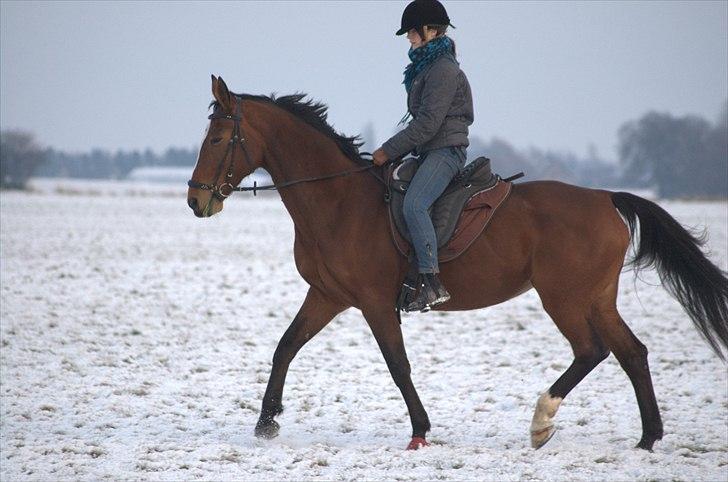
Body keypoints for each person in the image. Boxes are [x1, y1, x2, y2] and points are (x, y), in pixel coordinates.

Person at [372, 0, 474, 312]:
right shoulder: (427, 68)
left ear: (430, 31)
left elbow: (428, 124)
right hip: (429, 151)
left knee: (416, 203)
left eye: (413, 32)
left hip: (445, 152)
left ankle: (430, 281)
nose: (409, 38)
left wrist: (387, 150)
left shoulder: (443, 70)